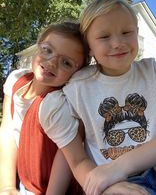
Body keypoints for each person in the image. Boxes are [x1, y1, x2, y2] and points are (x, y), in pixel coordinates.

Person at [60, 0, 156, 195]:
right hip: (115, 182)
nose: (118, 43)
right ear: (89, 46)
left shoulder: (153, 71)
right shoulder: (78, 87)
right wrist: (105, 185)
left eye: (127, 32)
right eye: (104, 37)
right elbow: (76, 157)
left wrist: (118, 167)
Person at [0, 21, 89, 195]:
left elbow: (67, 158)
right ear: (38, 46)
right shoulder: (15, 80)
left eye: (66, 63)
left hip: (48, 186)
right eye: (47, 50)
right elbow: (7, 132)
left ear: (77, 74)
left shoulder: (57, 105)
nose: (51, 62)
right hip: (20, 175)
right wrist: (7, 186)